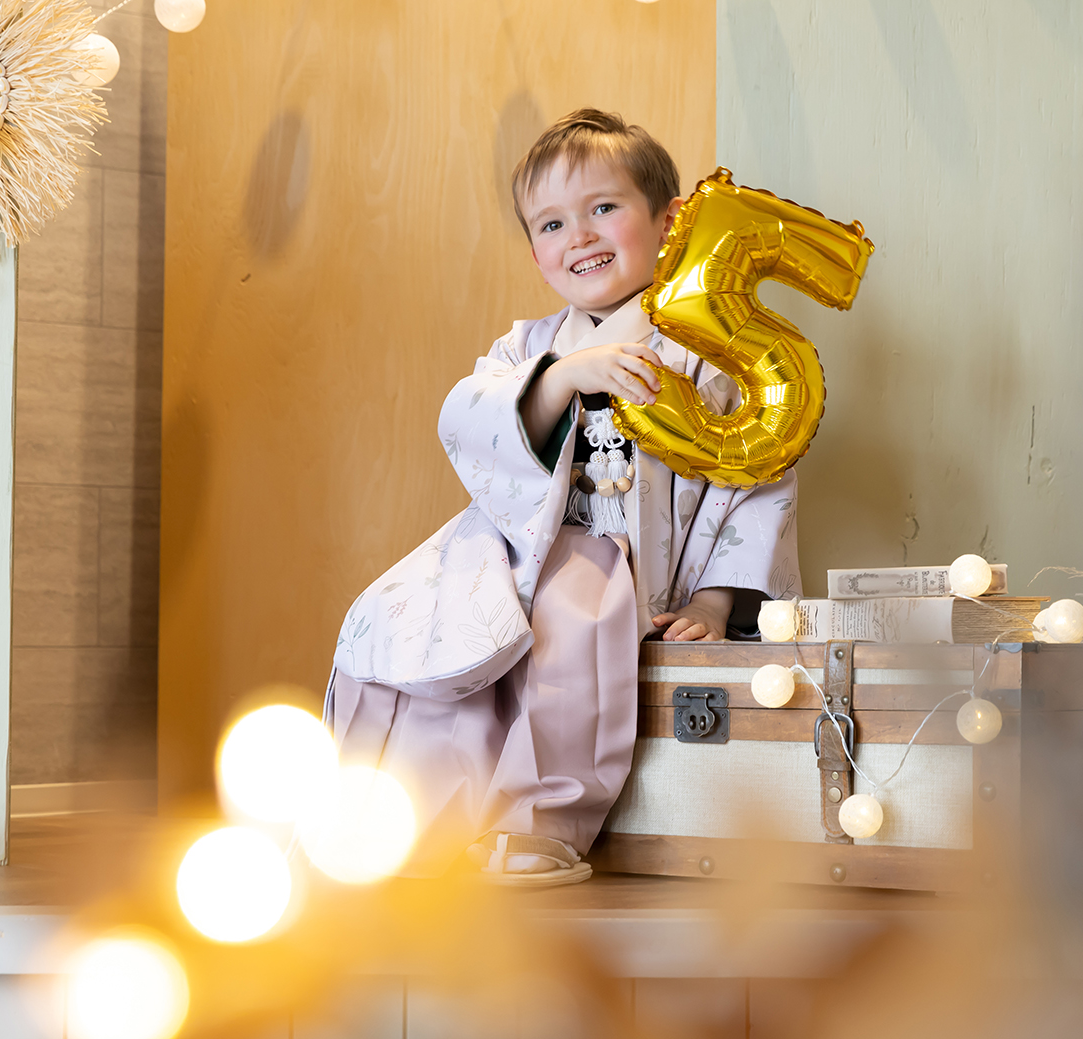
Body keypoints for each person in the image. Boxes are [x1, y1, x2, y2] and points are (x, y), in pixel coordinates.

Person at [326, 110, 801, 886]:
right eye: (550, 224)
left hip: (631, 570)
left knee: (574, 614)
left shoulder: (711, 350)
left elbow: (753, 484)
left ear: (670, 221)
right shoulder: (527, 347)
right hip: (514, 552)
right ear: (534, 251)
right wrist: (559, 378)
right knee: (404, 621)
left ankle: (539, 822)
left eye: (602, 208)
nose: (577, 235)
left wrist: (714, 603)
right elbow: (468, 420)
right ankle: (408, 820)